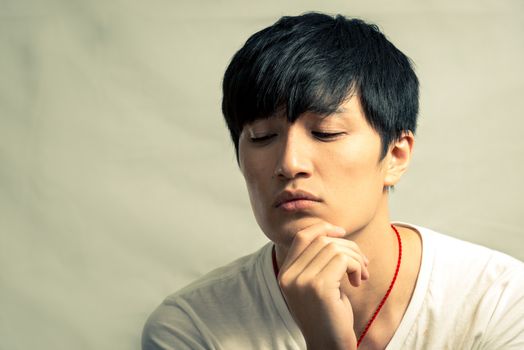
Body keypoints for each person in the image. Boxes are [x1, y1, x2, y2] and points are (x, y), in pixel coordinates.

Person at [142, 12, 524, 349]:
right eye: (261, 136)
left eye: (325, 133)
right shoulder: (192, 327)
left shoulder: (498, 300)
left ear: (395, 156)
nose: (289, 164)